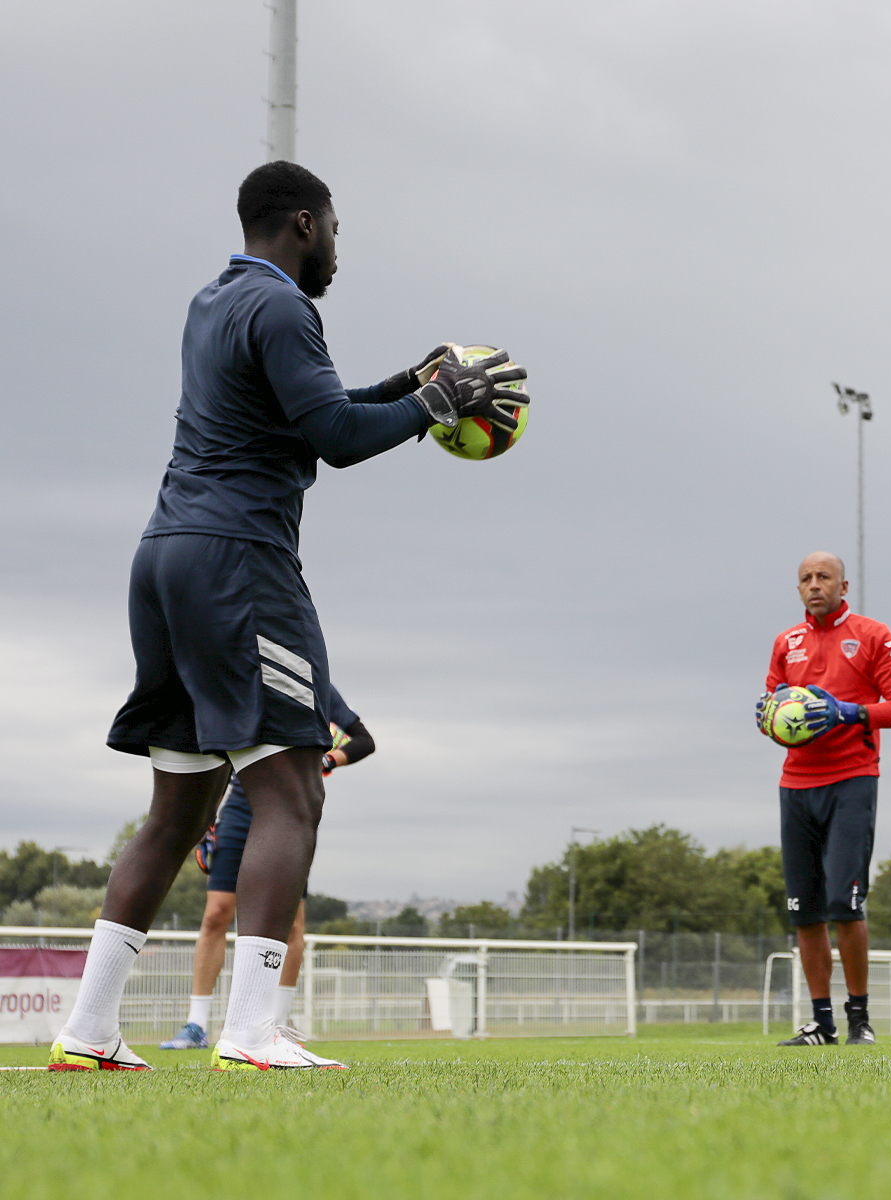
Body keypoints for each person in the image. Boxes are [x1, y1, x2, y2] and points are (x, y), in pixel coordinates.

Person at [48, 160, 527, 1072]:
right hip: (239, 562)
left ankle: (87, 1030)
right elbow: (338, 443)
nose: (339, 251)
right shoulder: (285, 308)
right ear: (305, 224)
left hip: (165, 558)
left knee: (177, 809)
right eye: (337, 231)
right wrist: (435, 403)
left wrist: (411, 382)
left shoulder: (214, 302)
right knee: (293, 788)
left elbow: (319, 413)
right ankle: (254, 1031)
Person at [757, 552, 891, 1046]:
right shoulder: (787, 642)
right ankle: (821, 1023)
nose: (814, 585)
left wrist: (850, 713)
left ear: (844, 586)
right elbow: (772, 705)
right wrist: (769, 715)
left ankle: (858, 1019)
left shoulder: (873, 636)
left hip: (852, 780)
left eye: (823, 577)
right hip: (796, 785)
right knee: (805, 911)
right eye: (805, 578)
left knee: (843, 905)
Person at [159, 691, 374, 1052]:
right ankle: (196, 1025)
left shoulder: (317, 688)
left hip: (291, 807)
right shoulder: (242, 681)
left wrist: (328, 759)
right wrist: (207, 814)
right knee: (216, 915)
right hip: (239, 808)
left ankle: (277, 1024)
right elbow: (215, 749)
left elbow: (364, 741)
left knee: (291, 923)